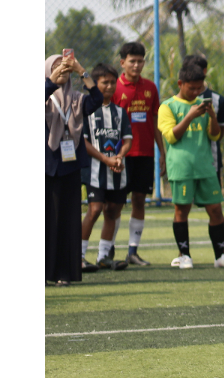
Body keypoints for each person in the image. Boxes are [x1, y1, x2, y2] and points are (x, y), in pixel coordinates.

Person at [158, 63, 224, 270]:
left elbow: (214, 135)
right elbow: (171, 136)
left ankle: (220, 255)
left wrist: (211, 115)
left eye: (199, 88)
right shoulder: (167, 106)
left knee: (215, 210)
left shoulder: (203, 105)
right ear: (180, 84)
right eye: (191, 88)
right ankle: (185, 255)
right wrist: (190, 116)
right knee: (181, 210)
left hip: (205, 167)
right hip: (181, 168)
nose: (196, 92)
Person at [46, 52, 103, 286]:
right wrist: (50, 82)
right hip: (45, 168)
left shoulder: (78, 99)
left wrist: (81, 70)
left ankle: (63, 274)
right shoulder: (45, 98)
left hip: (69, 169)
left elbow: (98, 99)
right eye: (57, 67)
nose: (63, 71)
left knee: (67, 221)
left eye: (65, 68)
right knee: (44, 221)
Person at [113, 41, 166, 266]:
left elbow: (154, 120)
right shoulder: (113, 87)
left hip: (144, 153)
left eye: (140, 61)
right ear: (122, 62)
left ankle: (132, 252)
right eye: (131, 61)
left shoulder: (151, 88)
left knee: (139, 200)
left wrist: (161, 151)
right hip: (121, 155)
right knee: (115, 204)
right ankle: (107, 252)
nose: (136, 65)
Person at [80, 63, 133, 272]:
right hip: (95, 172)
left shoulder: (120, 112)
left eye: (113, 82)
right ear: (95, 84)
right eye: (105, 82)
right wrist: (105, 159)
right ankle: (79, 256)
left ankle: (104, 256)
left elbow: (127, 139)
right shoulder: (86, 110)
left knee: (113, 212)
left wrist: (119, 157)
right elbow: (84, 143)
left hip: (118, 171)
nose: (110, 86)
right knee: (94, 210)